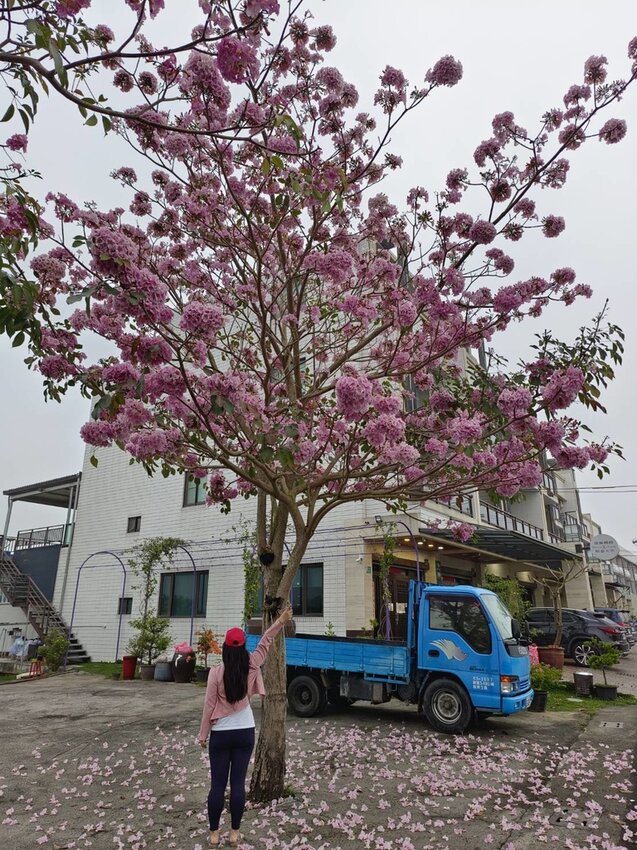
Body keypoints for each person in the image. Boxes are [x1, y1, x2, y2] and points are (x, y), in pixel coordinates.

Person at [198, 603, 294, 847]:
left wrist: (202, 735)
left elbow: (209, 707)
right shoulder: (252, 664)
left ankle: (213, 835)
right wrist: (281, 620)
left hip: (221, 735)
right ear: (242, 647)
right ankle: (234, 833)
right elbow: (265, 641)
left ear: (224, 650)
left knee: (217, 785)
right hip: (245, 732)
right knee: (238, 784)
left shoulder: (215, 673)